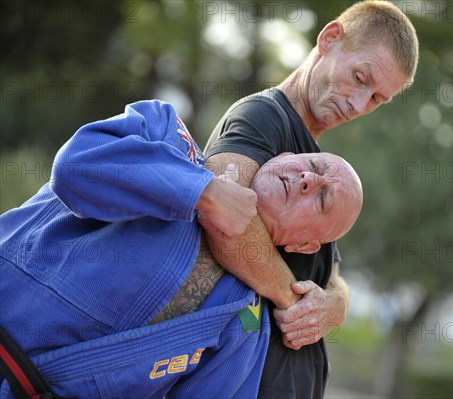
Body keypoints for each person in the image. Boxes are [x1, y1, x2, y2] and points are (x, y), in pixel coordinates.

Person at [0, 100, 363, 398]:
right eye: (313, 165)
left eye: (322, 198)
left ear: (303, 245)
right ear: (283, 154)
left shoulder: (247, 328)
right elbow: (74, 167)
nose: (307, 179)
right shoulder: (167, 136)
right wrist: (203, 191)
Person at [202, 1, 419, 397]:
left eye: (375, 99)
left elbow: (329, 274)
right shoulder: (261, 117)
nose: (358, 104)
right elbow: (221, 215)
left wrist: (333, 306)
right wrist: (291, 299)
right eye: (359, 77)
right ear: (330, 39)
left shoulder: (318, 159)